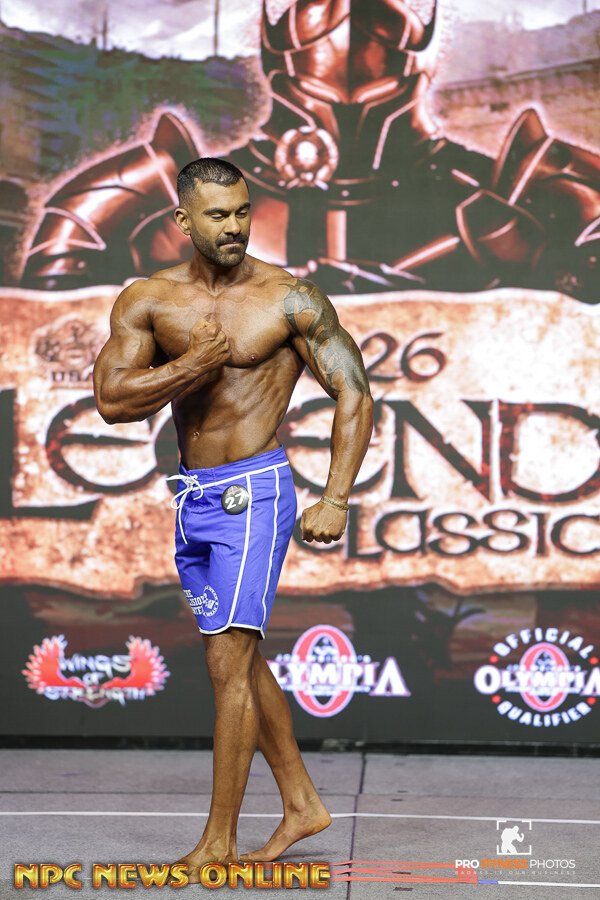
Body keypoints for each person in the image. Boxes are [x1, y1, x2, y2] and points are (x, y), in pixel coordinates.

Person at [93, 157, 373, 881]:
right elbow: (113, 401)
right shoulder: (149, 299)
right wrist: (193, 365)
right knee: (239, 658)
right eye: (218, 215)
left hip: (255, 492)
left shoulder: (289, 299)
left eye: (243, 212)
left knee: (227, 668)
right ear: (183, 221)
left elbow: (355, 392)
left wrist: (335, 496)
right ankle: (302, 803)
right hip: (194, 497)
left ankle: (218, 841)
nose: (234, 227)